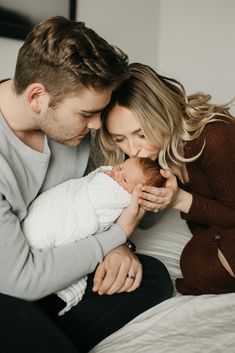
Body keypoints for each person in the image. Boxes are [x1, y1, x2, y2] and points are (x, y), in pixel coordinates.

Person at [0, 17, 173, 353]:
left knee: (150, 276)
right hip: (11, 281)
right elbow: (21, 278)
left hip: (46, 270)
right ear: (37, 96)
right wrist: (116, 236)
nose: (97, 125)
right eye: (87, 113)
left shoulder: (74, 129)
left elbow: (117, 201)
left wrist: (117, 247)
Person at [97, 62, 235, 296]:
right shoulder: (150, 156)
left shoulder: (214, 137)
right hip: (219, 231)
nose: (133, 150)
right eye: (119, 138)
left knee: (200, 266)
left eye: (141, 134)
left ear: (163, 115)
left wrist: (180, 200)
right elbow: (142, 221)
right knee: (195, 262)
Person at [23, 156, 164, 316]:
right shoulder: (103, 177)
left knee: (155, 276)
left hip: (70, 253)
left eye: (124, 178)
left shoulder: (117, 183)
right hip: (27, 260)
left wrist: (119, 243)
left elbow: (142, 218)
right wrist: (120, 233)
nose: (116, 172)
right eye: (119, 167)